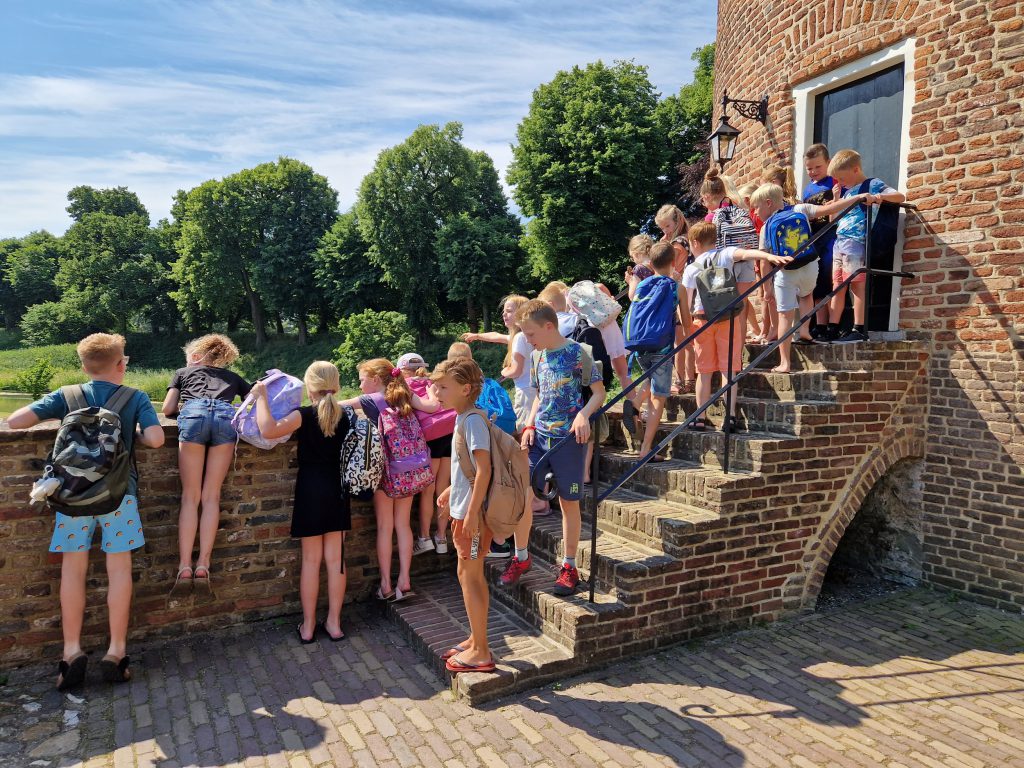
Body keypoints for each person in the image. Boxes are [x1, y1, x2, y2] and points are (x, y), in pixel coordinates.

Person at [7, 333, 164, 689]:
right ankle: (116, 651)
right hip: (119, 497)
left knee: (72, 572)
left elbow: (16, 421)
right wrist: (132, 435)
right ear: (121, 364)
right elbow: (156, 439)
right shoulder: (135, 396)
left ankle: (71, 652)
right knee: (119, 570)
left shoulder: (68, 394)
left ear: (83, 365)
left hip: (71, 498)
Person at [501, 300, 605, 597]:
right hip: (539, 436)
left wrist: (584, 415)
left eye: (531, 334)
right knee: (523, 494)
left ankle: (569, 567)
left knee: (568, 503)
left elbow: (599, 393)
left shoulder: (578, 353)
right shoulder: (536, 357)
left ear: (549, 327)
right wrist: (530, 425)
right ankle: (521, 558)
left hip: (569, 440)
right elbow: (537, 397)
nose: (528, 340)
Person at [252, 361, 350, 644]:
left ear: (310, 386)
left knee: (310, 561)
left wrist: (261, 398)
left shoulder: (304, 415)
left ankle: (307, 627)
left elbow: (268, 430)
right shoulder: (346, 415)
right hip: (338, 488)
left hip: (310, 489)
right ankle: (334, 624)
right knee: (336, 562)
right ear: (336, 383)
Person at [340, 358, 437, 601]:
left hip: (386, 473)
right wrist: (433, 388)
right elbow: (432, 407)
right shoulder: (405, 394)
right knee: (403, 526)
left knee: (385, 527)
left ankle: (385, 584)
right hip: (411, 471)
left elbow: (331, 406)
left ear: (375, 380)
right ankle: (404, 580)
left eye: (362, 380)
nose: (360, 385)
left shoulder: (369, 401)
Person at [752, 182, 874, 372]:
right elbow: (829, 209)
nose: (755, 213)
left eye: (757, 207)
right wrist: (857, 197)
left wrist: (767, 289)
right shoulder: (800, 208)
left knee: (784, 316)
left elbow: (764, 261)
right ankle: (805, 330)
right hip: (810, 265)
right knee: (806, 295)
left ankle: (784, 362)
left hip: (786, 271)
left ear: (768, 203)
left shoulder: (767, 226)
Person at [162, 334, 250, 594]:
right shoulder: (233, 378)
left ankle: (184, 565)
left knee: (191, 496)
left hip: (194, 416)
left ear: (197, 354)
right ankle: (204, 564)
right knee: (211, 496)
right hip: (225, 417)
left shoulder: (183, 372)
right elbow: (251, 403)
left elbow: (167, 409)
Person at [681, 223, 792, 430]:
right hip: (727, 319)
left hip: (702, 321)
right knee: (728, 370)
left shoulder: (691, 268)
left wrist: (686, 329)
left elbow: (686, 304)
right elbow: (747, 254)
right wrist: (768, 257)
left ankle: (700, 417)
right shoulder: (725, 254)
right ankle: (730, 416)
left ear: (695, 243)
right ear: (715, 239)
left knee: (704, 372)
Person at [432, 358, 497, 673]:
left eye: (443, 387)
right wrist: (450, 490)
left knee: (471, 578)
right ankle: (475, 638)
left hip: (471, 517)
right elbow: (467, 469)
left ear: (466, 388)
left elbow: (484, 471)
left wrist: (472, 516)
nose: (436, 391)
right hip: (463, 510)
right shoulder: (462, 417)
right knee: (466, 575)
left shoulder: (471, 421)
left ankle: (482, 652)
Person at [825, 149, 906, 344]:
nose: (840, 183)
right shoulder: (847, 192)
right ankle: (832, 328)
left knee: (856, 284)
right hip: (840, 241)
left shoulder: (872, 184)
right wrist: (837, 201)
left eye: (842, 179)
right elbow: (833, 220)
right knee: (837, 286)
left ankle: (859, 327)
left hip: (855, 242)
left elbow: (899, 197)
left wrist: (879, 197)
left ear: (855, 169)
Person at [626, 242, 685, 458]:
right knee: (659, 398)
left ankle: (634, 404)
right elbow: (685, 322)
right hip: (662, 347)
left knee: (650, 379)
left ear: (650, 263)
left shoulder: (643, 284)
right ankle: (646, 450)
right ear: (672, 262)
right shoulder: (676, 286)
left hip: (640, 346)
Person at [395, 352, 454, 557]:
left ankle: (424, 538)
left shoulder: (405, 386)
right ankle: (442, 537)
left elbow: (428, 407)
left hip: (430, 436)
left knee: (427, 492)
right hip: (450, 429)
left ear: (402, 370)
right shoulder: (434, 381)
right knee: (443, 488)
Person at [705, 167, 761, 345]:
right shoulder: (738, 208)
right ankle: (739, 351)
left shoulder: (712, 217)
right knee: (742, 306)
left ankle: (731, 350)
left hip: (726, 263)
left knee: (728, 309)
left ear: (707, 194)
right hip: (746, 259)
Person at [462, 294, 534, 432]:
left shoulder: (519, 338)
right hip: (532, 392)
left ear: (522, 312)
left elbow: (516, 371)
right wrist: (477, 336)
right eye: (503, 311)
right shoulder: (524, 335)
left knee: (523, 432)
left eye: (509, 311)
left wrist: (504, 372)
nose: (504, 314)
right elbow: (497, 336)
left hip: (526, 395)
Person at [653, 204, 695, 394]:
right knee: (684, 338)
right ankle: (687, 379)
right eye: (662, 228)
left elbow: (671, 272)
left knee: (681, 340)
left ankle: (684, 380)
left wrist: (663, 247)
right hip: (688, 292)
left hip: (682, 294)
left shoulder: (677, 245)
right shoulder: (687, 238)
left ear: (677, 221)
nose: (665, 231)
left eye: (667, 226)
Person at [802, 143, 840, 339]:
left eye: (818, 167)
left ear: (828, 162)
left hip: (831, 237)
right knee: (817, 283)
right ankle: (820, 325)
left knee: (831, 281)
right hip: (814, 240)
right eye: (809, 168)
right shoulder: (808, 190)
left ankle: (833, 325)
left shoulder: (834, 182)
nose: (813, 171)